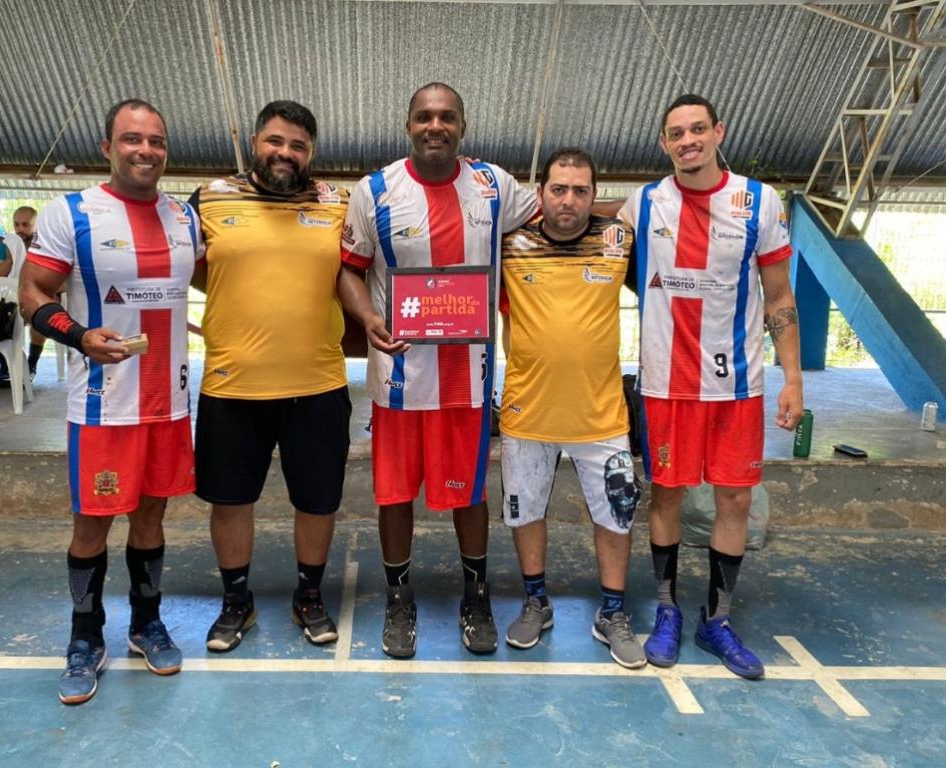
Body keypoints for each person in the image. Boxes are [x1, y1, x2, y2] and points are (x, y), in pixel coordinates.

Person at [338, 83, 538, 658]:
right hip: (398, 378)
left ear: (462, 126)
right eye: (424, 116)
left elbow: (556, 212)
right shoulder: (374, 191)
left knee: (469, 492)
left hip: (468, 378)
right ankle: (399, 598)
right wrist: (370, 316)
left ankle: (476, 596)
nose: (435, 125)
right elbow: (349, 270)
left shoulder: (495, 185)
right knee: (395, 494)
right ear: (408, 125)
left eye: (446, 117)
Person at [19, 99, 200, 704]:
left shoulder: (184, 217)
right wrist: (77, 336)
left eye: (155, 140)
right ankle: (84, 636)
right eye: (132, 139)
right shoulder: (72, 213)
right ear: (107, 147)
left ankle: (146, 624)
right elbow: (32, 294)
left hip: (170, 404)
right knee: (91, 527)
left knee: (151, 518)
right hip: (102, 407)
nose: (145, 150)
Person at [619, 93, 803, 679]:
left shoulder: (759, 201)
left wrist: (792, 379)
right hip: (665, 384)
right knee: (666, 495)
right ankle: (668, 611)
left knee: (736, 500)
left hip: (738, 385)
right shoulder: (644, 203)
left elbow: (779, 298)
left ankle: (717, 619)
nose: (688, 140)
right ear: (663, 143)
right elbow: (584, 250)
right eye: (677, 133)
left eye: (698, 129)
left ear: (719, 131)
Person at [190, 100, 351, 652]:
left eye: (298, 146)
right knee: (231, 500)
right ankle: (237, 601)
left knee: (318, 501)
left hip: (319, 384)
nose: (285, 153)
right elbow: (173, 262)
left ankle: (309, 595)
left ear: (312, 154)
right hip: (233, 386)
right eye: (275, 141)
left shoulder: (337, 203)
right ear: (255, 142)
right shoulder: (210, 197)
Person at [497, 148, 645, 668]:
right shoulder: (509, 245)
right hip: (526, 414)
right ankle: (536, 601)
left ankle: (611, 612)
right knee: (526, 514)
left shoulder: (619, 241)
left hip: (601, 415)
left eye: (580, 190)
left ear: (593, 195)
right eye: (558, 188)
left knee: (617, 518)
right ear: (540, 194)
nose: (568, 199)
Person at [0, 206, 44, 384]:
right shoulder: (5, 245)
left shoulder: (45, 244)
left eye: (26, 225)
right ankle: (5, 368)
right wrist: (11, 259)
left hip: (39, 295)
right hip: (9, 297)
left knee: (39, 312)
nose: (20, 229)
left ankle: (31, 366)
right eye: (16, 224)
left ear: (36, 225)